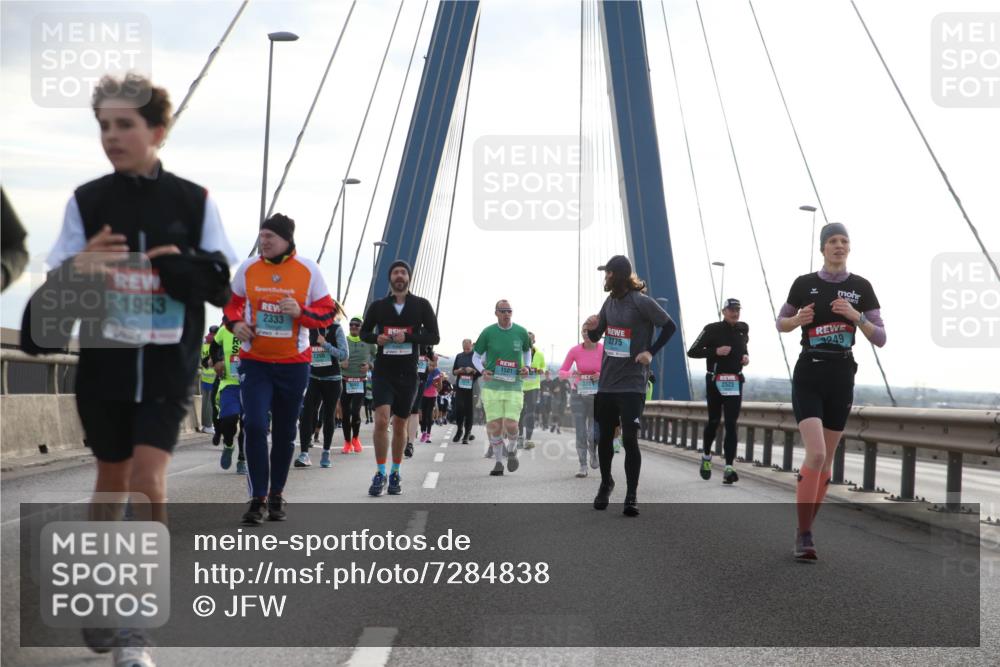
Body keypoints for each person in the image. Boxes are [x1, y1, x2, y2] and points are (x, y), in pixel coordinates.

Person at [36, 73, 237, 666]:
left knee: (149, 479)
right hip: (107, 366)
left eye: (124, 124)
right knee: (111, 483)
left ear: (157, 129)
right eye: (103, 125)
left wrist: (177, 266)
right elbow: (56, 285)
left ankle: (134, 626)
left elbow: (221, 286)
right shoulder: (88, 200)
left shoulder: (193, 201)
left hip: (169, 366)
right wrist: (82, 266)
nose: (112, 136)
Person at [777, 223, 885, 560]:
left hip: (841, 375)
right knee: (818, 453)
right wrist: (797, 321)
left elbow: (880, 336)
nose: (839, 246)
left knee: (826, 464)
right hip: (810, 371)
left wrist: (856, 317)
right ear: (823, 248)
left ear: (849, 248)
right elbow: (781, 322)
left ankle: (803, 529)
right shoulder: (804, 284)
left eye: (844, 241)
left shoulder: (861, 287)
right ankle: (805, 534)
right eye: (833, 242)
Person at [224, 213, 337, 524]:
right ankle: (257, 498)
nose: (264, 242)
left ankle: (277, 494)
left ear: (287, 240)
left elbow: (327, 313)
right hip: (255, 361)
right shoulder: (248, 268)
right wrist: (235, 323)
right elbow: (231, 303)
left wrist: (301, 312)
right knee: (256, 425)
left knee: (287, 432)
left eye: (270, 237)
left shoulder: (308, 270)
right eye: (261, 236)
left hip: (293, 364)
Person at [586, 255, 676, 517]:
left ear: (619, 275)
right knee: (603, 438)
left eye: (608, 273)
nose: (605, 277)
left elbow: (669, 326)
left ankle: (631, 495)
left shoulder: (641, 302)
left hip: (633, 384)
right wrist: (591, 330)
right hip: (607, 383)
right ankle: (606, 483)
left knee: (629, 438)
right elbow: (597, 334)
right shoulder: (609, 302)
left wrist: (650, 351)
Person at [359, 260, 440, 496]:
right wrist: (377, 339)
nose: (399, 276)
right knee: (382, 421)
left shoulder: (421, 305)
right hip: (384, 371)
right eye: (395, 272)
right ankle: (380, 472)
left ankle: (395, 471)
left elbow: (434, 336)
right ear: (390, 278)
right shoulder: (378, 306)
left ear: (409, 278)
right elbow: (365, 332)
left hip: (408, 373)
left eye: (403, 272)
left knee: (400, 424)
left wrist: (409, 336)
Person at [687, 298, 750, 485]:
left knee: (731, 423)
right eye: (731, 309)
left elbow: (744, 349)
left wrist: (746, 357)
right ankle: (706, 457)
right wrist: (716, 351)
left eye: (737, 309)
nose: (735, 312)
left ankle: (729, 467)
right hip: (715, 381)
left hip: (735, 381)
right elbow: (693, 352)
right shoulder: (712, 328)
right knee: (714, 421)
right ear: (723, 311)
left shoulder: (743, 328)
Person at [473, 300, 533, 476]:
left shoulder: (521, 332)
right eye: (503, 311)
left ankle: (512, 449)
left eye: (510, 311)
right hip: (492, 386)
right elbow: (476, 357)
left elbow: (527, 352)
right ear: (496, 313)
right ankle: (499, 463)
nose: (507, 314)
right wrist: (483, 370)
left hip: (514, 385)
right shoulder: (488, 332)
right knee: (494, 426)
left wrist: (527, 367)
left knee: (511, 424)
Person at [295, 317, 348, 468]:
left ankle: (326, 452)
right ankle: (304, 454)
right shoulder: (308, 328)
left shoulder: (336, 329)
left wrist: (325, 344)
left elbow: (344, 355)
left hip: (332, 379)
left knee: (328, 415)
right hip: (313, 377)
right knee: (306, 414)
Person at [560, 321, 604, 477]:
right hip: (578, 393)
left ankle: (593, 451)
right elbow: (562, 372)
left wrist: (601, 375)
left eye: (588, 331)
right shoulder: (575, 350)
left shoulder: (604, 349)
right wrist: (572, 374)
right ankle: (582, 465)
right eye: (583, 331)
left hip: (597, 395)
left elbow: (612, 371)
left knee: (593, 433)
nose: (585, 334)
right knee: (580, 431)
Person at [213, 321, 247, 473]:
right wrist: (216, 361)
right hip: (229, 383)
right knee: (229, 419)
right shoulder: (225, 329)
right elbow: (214, 346)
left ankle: (242, 459)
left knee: (248, 425)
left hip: (251, 385)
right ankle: (228, 444)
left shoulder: (256, 327)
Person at [341, 315, 376, 454]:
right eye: (351, 324)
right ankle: (347, 442)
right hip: (345, 380)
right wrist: (340, 364)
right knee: (345, 414)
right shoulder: (343, 340)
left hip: (360, 382)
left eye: (357, 325)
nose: (353, 327)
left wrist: (370, 365)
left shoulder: (369, 342)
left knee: (355, 412)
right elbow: (334, 357)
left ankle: (355, 438)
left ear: (362, 327)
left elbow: (377, 356)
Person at [516, 332, 545, 449]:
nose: (528, 342)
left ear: (534, 341)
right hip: (520, 386)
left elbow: (543, 367)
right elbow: (514, 367)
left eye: (530, 340)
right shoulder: (518, 353)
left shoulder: (539, 354)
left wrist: (540, 370)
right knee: (520, 412)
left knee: (531, 413)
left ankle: (528, 439)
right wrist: (521, 370)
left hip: (533, 387)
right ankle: (520, 437)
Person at [452, 339, 481, 443]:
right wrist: (459, 370)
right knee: (459, 409)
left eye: (468, 348)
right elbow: (454, 371)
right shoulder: (459, 356)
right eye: (464, 348)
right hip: (460, 385)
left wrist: (472, 370)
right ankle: (459, 430)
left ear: (471, 346)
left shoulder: (476, 357)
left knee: (469, 411)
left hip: (473, 387)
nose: (466, 350)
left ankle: (467, 434)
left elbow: (481, 372)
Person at [199, 326, 219, 436]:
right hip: (212, 378)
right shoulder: (215, 344)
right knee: (211, 404)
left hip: (204, 377)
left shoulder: (203, 343)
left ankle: (204, 425)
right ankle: (208, 425)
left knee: (205, 403)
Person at [419, 356, 443, 442]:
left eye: (434, 365)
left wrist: (434, 384)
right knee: (423, 415)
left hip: (432, 396)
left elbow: (440, 387)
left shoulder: (437, 373)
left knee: (429, 415)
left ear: (436, 365)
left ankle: (428, 435)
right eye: (430, 365)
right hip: (423, 395)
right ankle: (423, 433)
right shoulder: (423, 371)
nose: (432, 367)